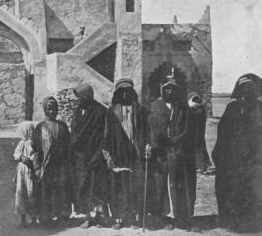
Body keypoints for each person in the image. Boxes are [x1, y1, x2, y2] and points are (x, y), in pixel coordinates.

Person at [148, 76, 200, 231]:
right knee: (162, 186)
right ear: (163, 90)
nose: (169, 91)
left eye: (172, 89)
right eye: (166, 89)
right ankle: (166, 217)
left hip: (179, 153)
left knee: (180, 185)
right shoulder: (155, 106)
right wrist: (155, 144)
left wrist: (177, 141)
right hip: (162, 154)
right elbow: (151, 128)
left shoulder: (183, 107)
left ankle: (181, 217)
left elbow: (187, 128)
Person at [212, 74, 262, 232]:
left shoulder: (260, 108)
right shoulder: (232, 108)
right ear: (239, 89)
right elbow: (222, 135)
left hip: (254, 161)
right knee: (231, 191)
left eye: (251, 87)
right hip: (232, 160)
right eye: (244, 87)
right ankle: (231, 223)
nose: (247, 91)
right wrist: (220, 157)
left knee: (252, 192)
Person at [102, 78, 148, 230]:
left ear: (132, 92)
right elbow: (106, 135)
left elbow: (145, 132)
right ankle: (119, 218)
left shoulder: (140, 111)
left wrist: (145, 147)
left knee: (134, 187)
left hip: (135, 155)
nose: (125, 94)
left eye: (128, 91)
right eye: (122, 91)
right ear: (118, 93)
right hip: (118, 155)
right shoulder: (111, 112)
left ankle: (134, 218)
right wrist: (108, 154)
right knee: (118, 188)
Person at [70, 84, 108, 228]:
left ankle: (98, 217)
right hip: (80, 156)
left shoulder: (100, 111)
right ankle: (87, 217)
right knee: (83, 185)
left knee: (97, 185)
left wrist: (99, 152)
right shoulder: (77, 111)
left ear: (87, 96)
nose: (78, 100)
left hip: (95, 154)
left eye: (80, 97)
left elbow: (104, 134)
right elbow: (74, 131)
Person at [34, 96, 72, 227]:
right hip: (47, 165)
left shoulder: (62, 126)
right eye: (49, 108)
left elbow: (68, 146)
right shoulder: (40, 127)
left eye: (54, 108)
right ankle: (46, 218)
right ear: (45, 109)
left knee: (61, 190)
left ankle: (62, 217)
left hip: (61, 164)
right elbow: (36, 149)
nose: (52, 111)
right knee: (46, 191)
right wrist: (37, 167)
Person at [13, 121, 39, 228]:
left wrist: (32, 159)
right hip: (22, 173)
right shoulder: (21, 143)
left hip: (31, 172)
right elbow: (16, 154)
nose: (31, 133)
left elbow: (37, 155)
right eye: (29, 131)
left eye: (33, 130)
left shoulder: (35, 144)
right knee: (21, 194)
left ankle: (33, 219)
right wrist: (21, 157)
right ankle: (22, 219)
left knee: (31, 193)